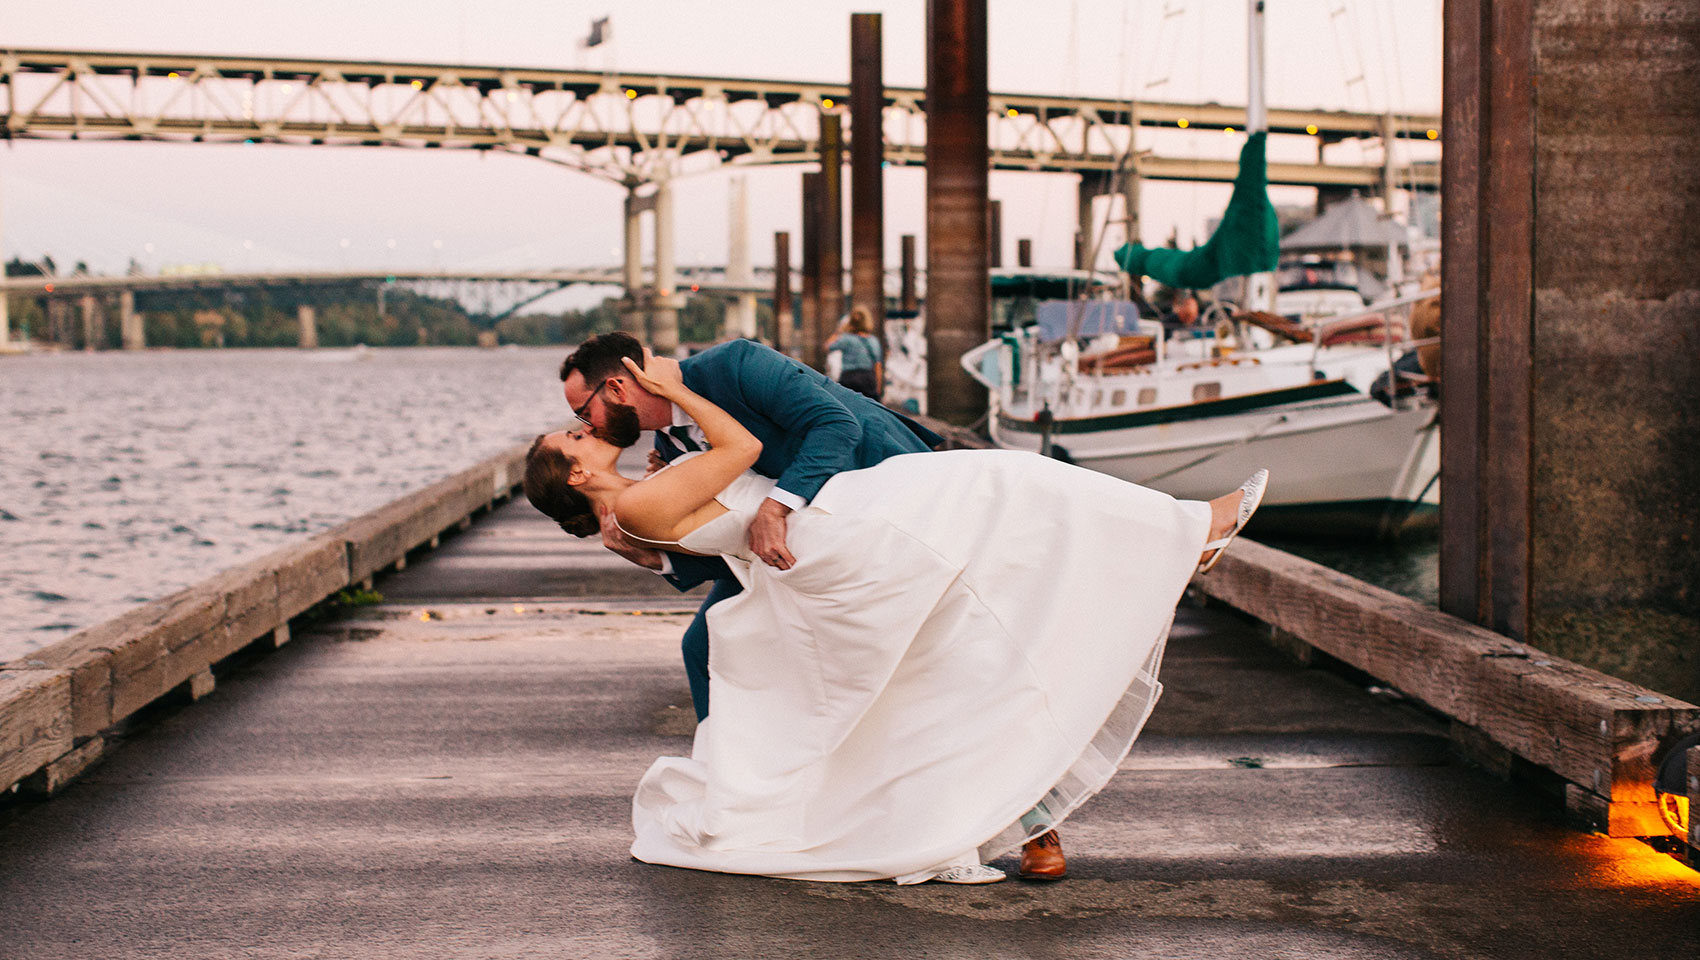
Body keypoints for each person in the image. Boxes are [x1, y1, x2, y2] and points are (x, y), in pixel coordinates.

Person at [530, 348, 1268, 885]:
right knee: (720, 646)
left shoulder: (731, 370)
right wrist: (655, 557)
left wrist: (774, 509)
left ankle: (1033, 817)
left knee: (981, 625)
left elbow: (829, 428)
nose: (583, 419)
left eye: (581, 408)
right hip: (827, 550)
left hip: (879, 493)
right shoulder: (665, 450)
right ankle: (764, 790)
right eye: (574, 424)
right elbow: (706, 539)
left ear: (620, 383)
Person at [825, 307, 884, 401]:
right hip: (867, 379)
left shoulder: (847, 339)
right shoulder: (873, 341)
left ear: (851, 322)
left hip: (849, 378)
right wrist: (878, 389)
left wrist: (839, 330)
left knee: (848, 408)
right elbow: (878, 366)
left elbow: (828, 346)